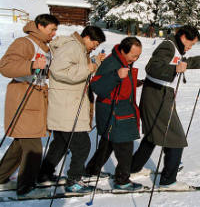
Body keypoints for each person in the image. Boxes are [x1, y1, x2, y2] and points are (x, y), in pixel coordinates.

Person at [130, 25, 200, 189]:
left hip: (159, 94)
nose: (190, 47)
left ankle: (132, 169)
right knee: (176, 137)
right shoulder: (168, 46)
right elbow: (152, 67)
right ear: (182, 37)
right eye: (190, 43)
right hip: (157, 95)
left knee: (153, 133)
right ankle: (168, 181)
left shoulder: (175, 47)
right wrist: (174, 69)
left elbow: (183, 62)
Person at [37, 26, 106, 193]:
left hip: (66, 105)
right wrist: (89, 68)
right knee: (82, 145)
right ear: (87, 37)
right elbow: (59, 70)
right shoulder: (72, 46)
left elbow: (74, 70)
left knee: (60, 143)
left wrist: (94, 62)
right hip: (66, 106)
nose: (95, 47)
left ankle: (44, 175)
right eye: (95, 43)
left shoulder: (79, 48)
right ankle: (73, 181)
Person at [0, 14, 59, 197]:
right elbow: (5, 66)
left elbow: (45, 72)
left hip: (37, 99)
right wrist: (32, 64)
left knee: (20, 144)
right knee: (33, 146)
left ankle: (1, 178)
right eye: (52, 29)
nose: (54, 34)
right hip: (23, 98)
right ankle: (26, 188)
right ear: (40, 26)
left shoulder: (45, 48)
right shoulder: (24, 43)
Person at [85, 37, 143, 191]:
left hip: (120, 110)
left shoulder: (123, 61)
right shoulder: (112, 63)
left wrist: (134, 81)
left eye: (138, 56)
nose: (135, 59)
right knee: (125, 145)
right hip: (114, 111)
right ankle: (122, 181)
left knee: (108, 142)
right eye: (133, 55)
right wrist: (117, 76)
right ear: (123, 51)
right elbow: (97, 86)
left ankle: (91, 170)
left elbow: (120, 83)